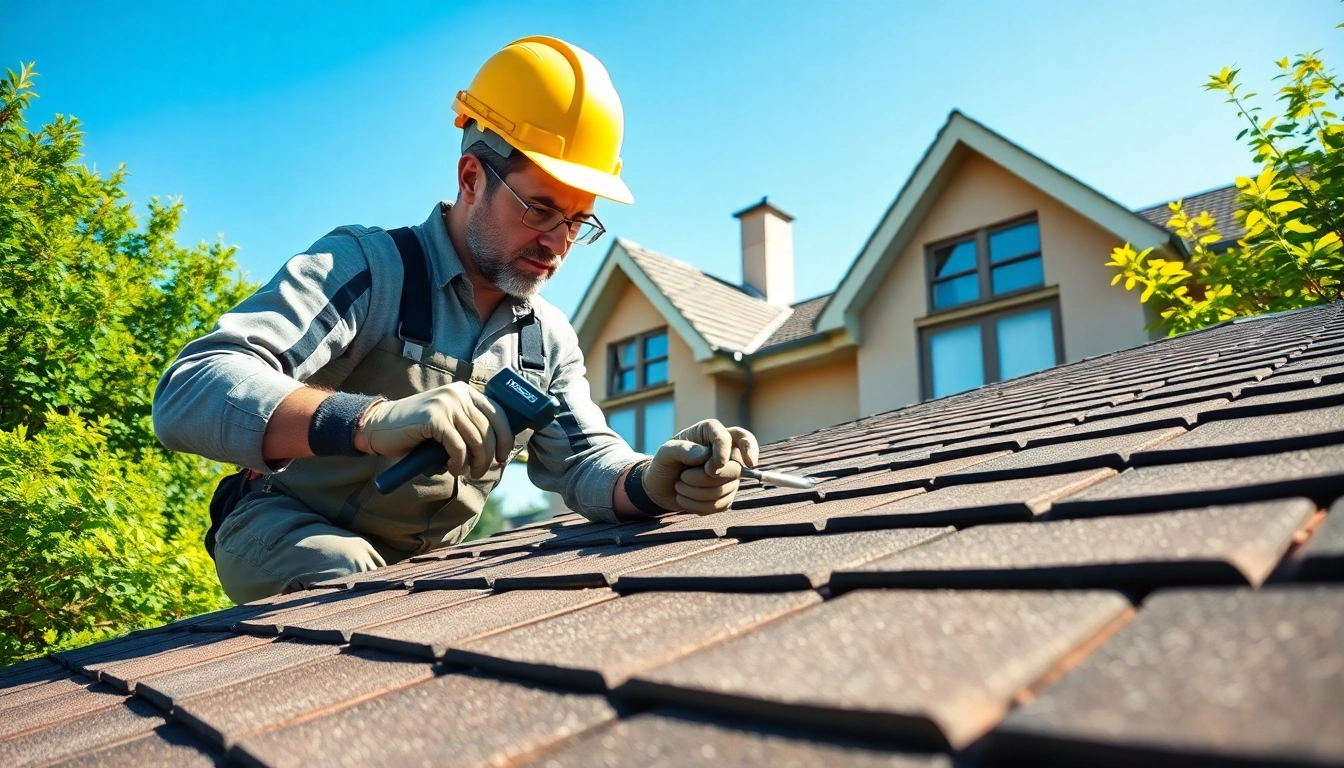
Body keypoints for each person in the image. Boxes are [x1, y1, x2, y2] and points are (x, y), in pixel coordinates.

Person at [152, 36, 759, 603]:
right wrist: (372, 420)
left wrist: (656, 479)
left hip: (423, 574)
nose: (558, 243)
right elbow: (191, 390)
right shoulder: (367, 268)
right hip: (286, 529)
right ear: (472, 177)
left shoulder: (544, 345)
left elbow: (584, 462)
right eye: (541, 208)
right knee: (358, 592)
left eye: (578, 221)